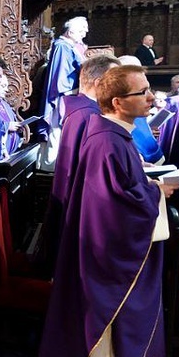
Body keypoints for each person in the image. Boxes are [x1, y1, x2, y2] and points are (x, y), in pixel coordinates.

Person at [33, 64, 179, 357]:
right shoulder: (106, 141)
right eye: (141, 92)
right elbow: (113, 209)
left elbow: (118, 190)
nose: (151, 97)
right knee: (106, 347)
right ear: (117, 102)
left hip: (103, 257)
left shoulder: (113, 133)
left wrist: (147, 184)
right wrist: (157, 192)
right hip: (105, 264)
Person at [37, 54, 120, 277]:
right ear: (97, 82)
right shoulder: (87, 115)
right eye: (115, 80)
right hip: (79, 209)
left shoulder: (85, 111)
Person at [37, 16, 89, 172]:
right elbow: (60, 80)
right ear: (71, 31)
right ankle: (50, 170)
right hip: (62, 97)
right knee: (56, 133)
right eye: (81, 30)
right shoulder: (62, 47)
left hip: (70, 97)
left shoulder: (70, 46)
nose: (84, 34)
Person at [0, 73, 22, 158]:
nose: (7, 90)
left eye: (7, 86)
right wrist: (7, 126)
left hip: (11, 154)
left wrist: (18, 127)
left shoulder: (5, 104)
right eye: (3, 86)